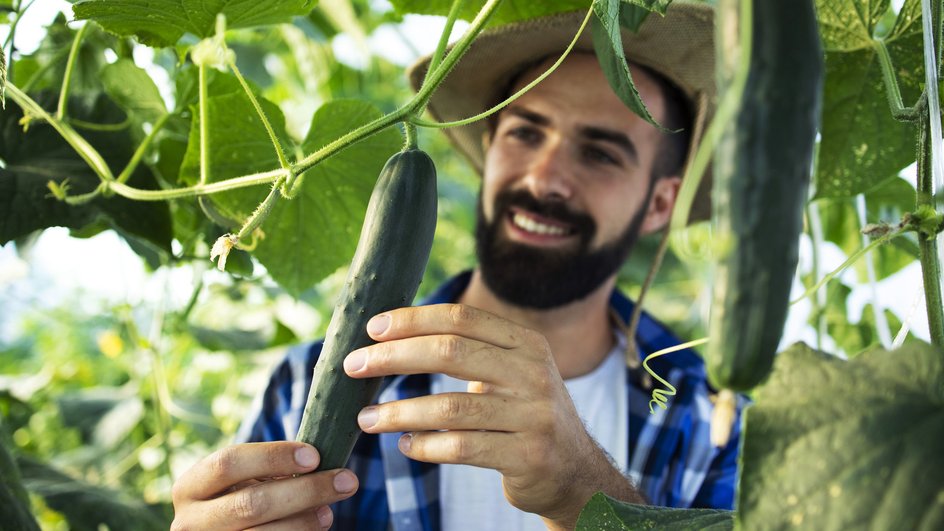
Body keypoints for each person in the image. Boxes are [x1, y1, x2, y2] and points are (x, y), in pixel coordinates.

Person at [171, 3, 744, 530]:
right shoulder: (301, 387)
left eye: (599, 153)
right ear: (490, 146)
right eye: (525, 132)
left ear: (662, 202)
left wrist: (582, 492)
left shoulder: (712, 422)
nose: (544, 178)